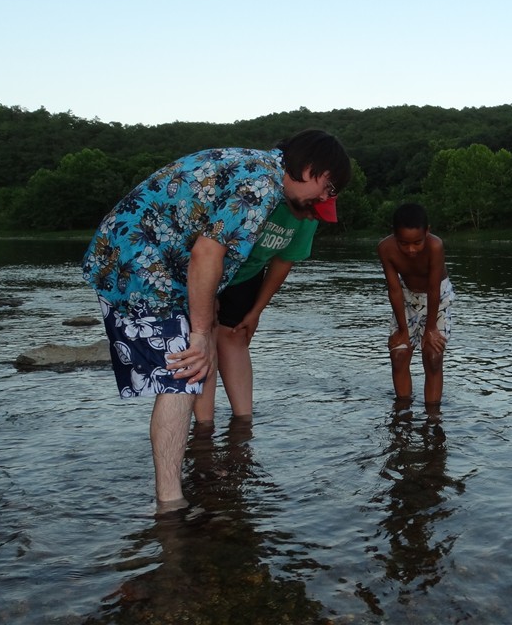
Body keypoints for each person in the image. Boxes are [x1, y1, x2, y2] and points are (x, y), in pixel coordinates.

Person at [82, 130, 350, 513]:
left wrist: (204, 328)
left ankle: (176, 490)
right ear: (310, 168)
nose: (325, 199)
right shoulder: (262, 183)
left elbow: (205, 249)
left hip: (138, 257)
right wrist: (201, 333)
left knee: (186, 370)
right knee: (184, 371)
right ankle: (170, 504)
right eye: (329, 186)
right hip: (139, 262)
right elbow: (207, 254)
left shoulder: (256, 168)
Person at [192, 196, 338, 426]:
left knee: (236, 334)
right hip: (210, 265)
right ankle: (204, 429)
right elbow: (207, 246)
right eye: (313, 211)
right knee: (206, 336)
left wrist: (256, 311)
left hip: (247, 274)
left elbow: (284, 261)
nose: (312, 217)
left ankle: (244, 424)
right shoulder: (264, 199)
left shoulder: (308, 218)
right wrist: (209, 296)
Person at [377, 203, 455, 407]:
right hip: (406, 296)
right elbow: (394, 289)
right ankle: (403, 412)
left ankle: (433, 415)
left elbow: (433, 288)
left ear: (427, 231)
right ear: (394, 234)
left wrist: (431, 329)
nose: (411, 250)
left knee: (433, 356)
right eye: (403, 243)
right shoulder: (386, 248)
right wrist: (403, 331)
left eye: (417, 242)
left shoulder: (435, 246)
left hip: (437, 296)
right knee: (399, 355)